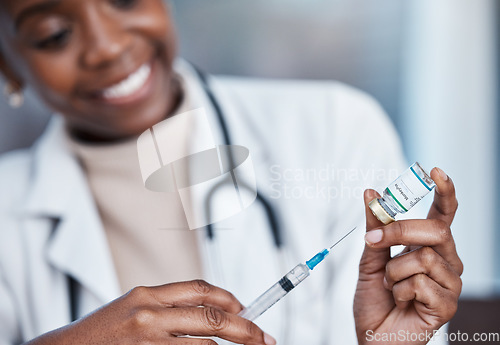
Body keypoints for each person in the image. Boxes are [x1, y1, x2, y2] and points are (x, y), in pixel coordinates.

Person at [0, 0, 463, 344]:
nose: (108, 46)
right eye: (55, 33)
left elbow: (386, 331)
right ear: (7, 67)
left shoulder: (332, 128)